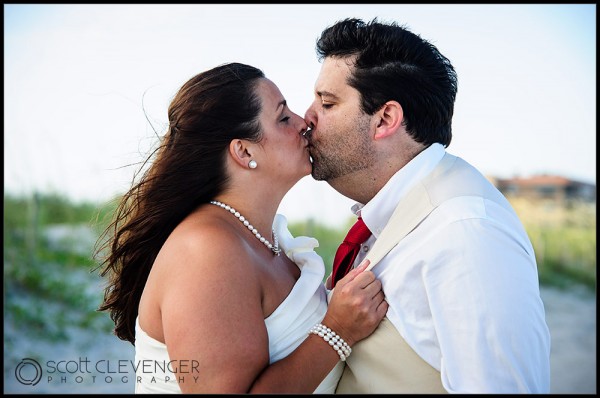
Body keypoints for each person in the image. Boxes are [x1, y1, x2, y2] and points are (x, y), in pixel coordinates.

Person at [94, 62, 388, 394]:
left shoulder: (265, 239)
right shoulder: (206, 251)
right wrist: (338, 331)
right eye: (282, 117)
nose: (303, 122)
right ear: (244, 150)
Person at [303, 18, 551, 393]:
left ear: (385, 119)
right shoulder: (393, 211)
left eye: (327, 102)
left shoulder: (466, 231)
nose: (307, 117)